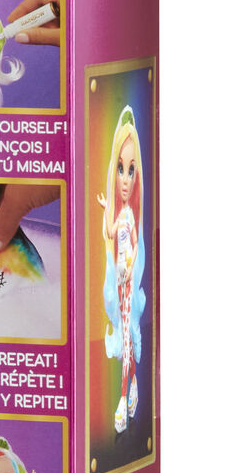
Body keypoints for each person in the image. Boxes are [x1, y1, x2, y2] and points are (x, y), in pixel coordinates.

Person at [97, 106, 146, 434]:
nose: (125, 179)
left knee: (127, 337)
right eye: (120, 169)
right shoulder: (120, 214)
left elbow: (133, 246)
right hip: (118, 282)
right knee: (124, 338)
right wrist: (105, 209)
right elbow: (110, 233)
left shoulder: (131, 214)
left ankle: (123, 395)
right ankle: (132, 386)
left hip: (126, 282)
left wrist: (128, 270)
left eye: (130, 170)